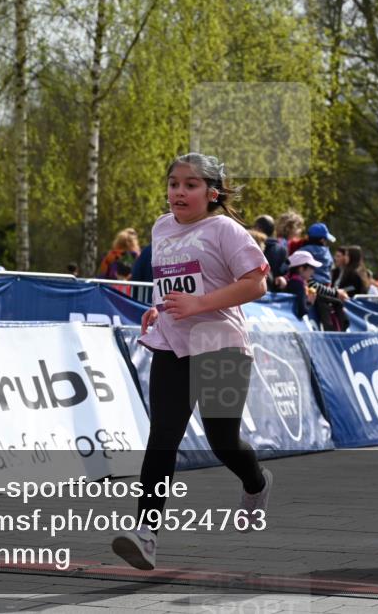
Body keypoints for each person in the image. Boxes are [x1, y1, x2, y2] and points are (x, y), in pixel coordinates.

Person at [111, 153, 271, 571]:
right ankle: (146, 535)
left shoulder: (225, 230)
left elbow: (257, 284)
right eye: (173, 184)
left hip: (220, 344)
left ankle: (256, 482)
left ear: (211, 193)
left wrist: (199, 304)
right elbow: (171, 280)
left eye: (190, 185)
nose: (179, 192)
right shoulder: (161, 227)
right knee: (163, 437)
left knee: (223, 441)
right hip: (172, 344)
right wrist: (158, 307)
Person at [284, 250, 321, 319]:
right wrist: (310, 302)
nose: (313, 272)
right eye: (312, 267)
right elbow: (302, 311)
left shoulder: (290, 280)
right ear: (301, 268)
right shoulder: (298, 283)